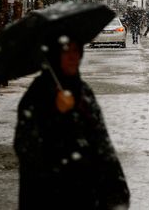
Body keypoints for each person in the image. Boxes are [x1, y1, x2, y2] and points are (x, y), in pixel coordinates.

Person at [14, 34, 130, 209]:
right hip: (50, 198)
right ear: (53, 55)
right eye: (66, 51)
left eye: (76, 50)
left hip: (89, 198)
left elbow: (102, 142)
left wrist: (117, 188)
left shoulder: (83, 91)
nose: (73, 56)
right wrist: (55, 116)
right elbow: (26, 148)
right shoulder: (37, 95)